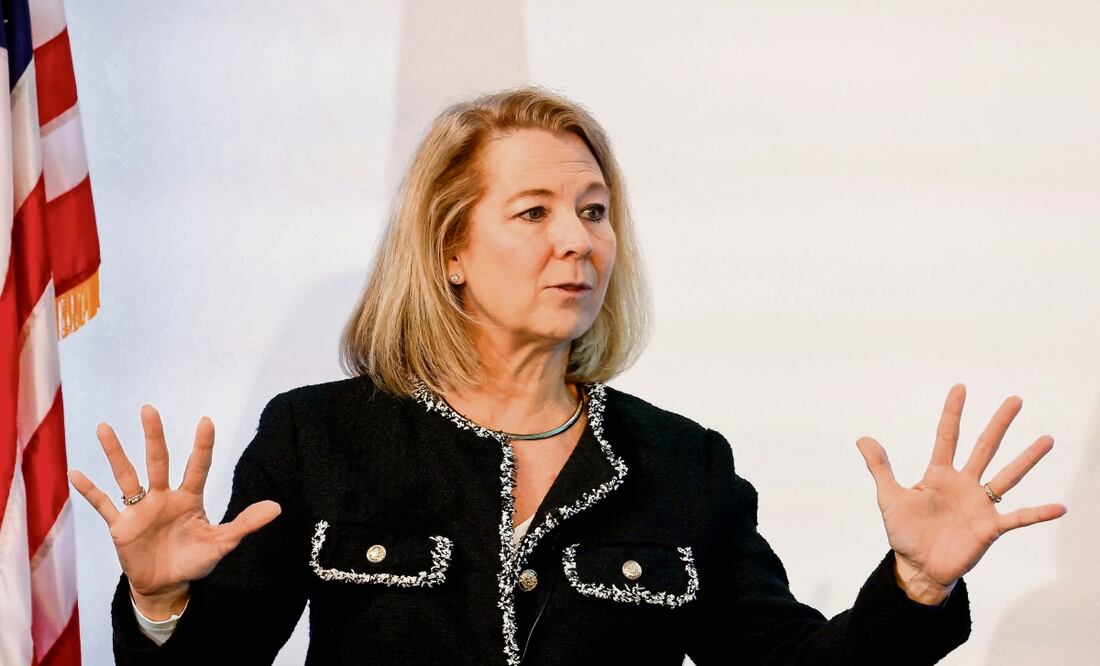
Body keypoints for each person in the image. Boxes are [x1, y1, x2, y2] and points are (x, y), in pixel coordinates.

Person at [68, 85, 1067, 665]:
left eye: (593, 212)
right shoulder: (318, 439)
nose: (576, 244)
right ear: (450, 248)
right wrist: (157, 605)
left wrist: (915, 584)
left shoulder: (681, 464)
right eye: (534, 211)